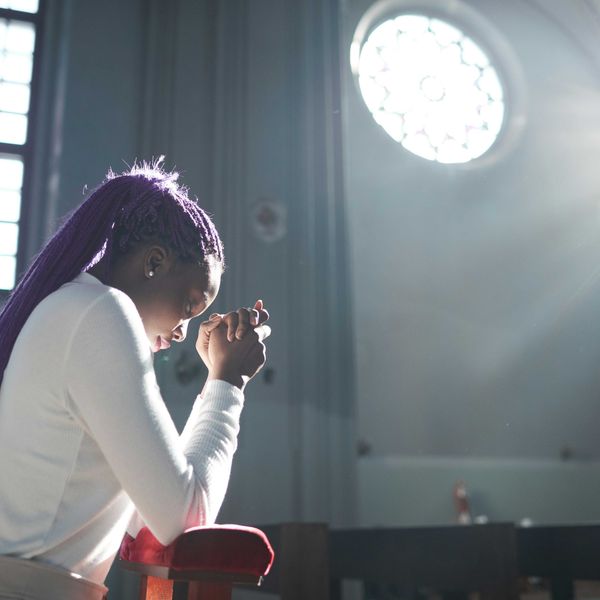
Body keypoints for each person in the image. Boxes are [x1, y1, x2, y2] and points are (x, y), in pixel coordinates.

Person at [0, 160, 270, 599]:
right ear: (155, 263)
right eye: (189, 303)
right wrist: (228, 383)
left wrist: (216, 384)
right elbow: (184, 519)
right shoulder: (100, 313)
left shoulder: (73, 308)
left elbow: (153, 511)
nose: (184, 331)